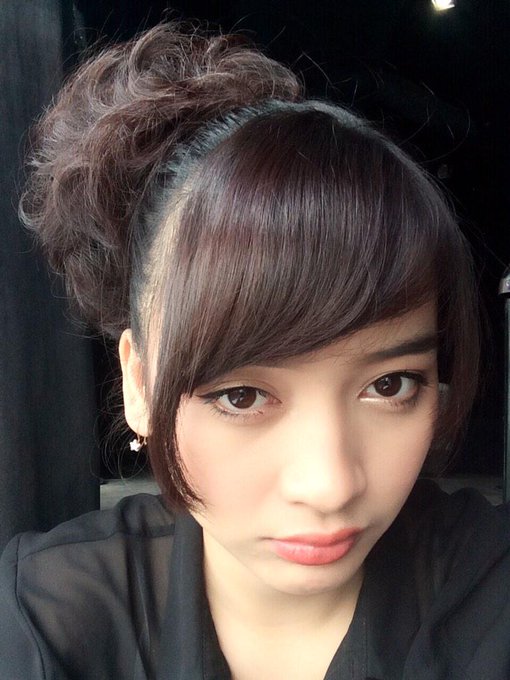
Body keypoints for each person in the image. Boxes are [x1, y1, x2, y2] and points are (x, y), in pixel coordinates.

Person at [1, 22, 509, 680]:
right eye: (241, 396)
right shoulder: (46, 619)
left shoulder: (488, 588)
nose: (329, 485)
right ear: (140, 384)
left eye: (389, 385)